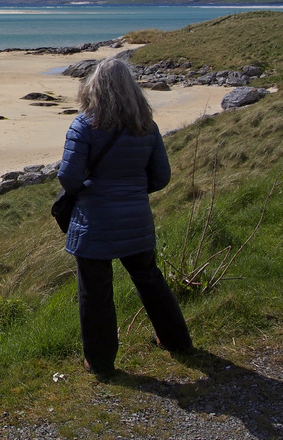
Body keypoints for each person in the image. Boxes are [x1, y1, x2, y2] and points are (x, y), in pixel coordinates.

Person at [58, 56, 192, 377]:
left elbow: (69, 179)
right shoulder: (147, 126)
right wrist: (130, 189)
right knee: (150, 280)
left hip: (94, 224)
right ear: (132, 90)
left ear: (95, 88)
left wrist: (97, 185)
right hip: (136, 221)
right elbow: (161, 177)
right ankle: (176, 340)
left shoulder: (83, 125)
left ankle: (101, 363)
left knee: (96, 293)